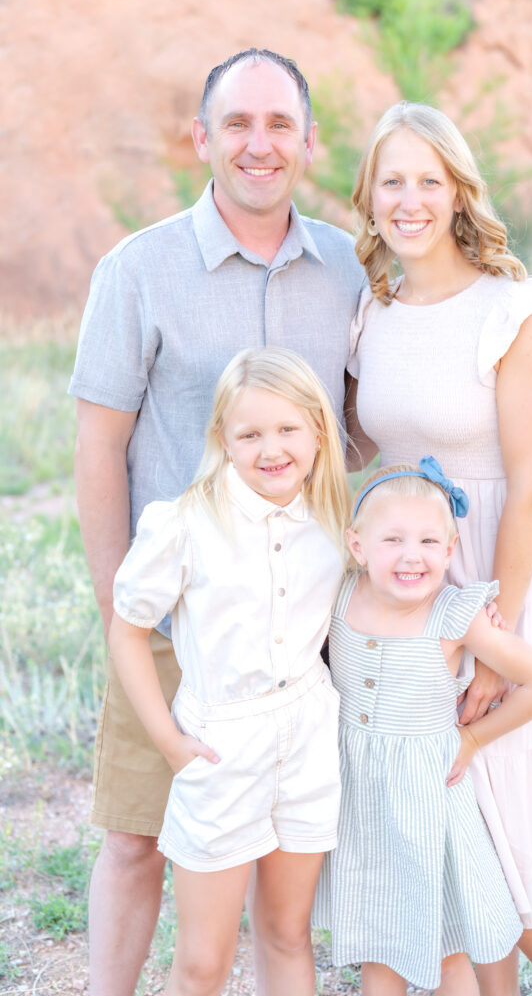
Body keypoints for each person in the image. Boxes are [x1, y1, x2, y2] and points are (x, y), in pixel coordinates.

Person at [68, 48, 363, 996]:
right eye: (237, 122)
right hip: (172, 605)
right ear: (201, 137)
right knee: (134, 837)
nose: (259, 142)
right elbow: (97, 449)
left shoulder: (349, 268)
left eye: (280, 124)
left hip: (304, 619)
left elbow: (359, 429)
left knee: (285, 872)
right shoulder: (140, 268)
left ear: (310, 144)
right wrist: (124, 604)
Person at [344, 102, 532, 996]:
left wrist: (496, 632)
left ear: (458, 192)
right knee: (446, 829)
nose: (409, 199)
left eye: (427, 179)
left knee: (512, 815)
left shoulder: (515, 311)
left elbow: (529, 488)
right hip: (404, 584)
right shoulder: (371, 313)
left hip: (493, 580)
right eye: (392, 180)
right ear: (368, 197)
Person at [108, 346, 350, 995]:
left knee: (288, 934)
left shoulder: (332, 520)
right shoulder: (186, 524)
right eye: (250, 434)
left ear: (318, 431)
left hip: (306, 741)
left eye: (287, 429)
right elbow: (128, 629)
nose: (271, 449)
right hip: (219, 750)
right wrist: (169, 742)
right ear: (222, 438)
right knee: (204, 961)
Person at [313, 460, 532, 996]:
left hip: (429, 804)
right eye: (393, 540)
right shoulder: (338, 598)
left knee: (446, 952)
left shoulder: (454, 615)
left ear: (449, 552)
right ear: (357, 546)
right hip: (361, 804)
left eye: (430, 540)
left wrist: (472, 738)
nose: (412, 555)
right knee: (380, 948)